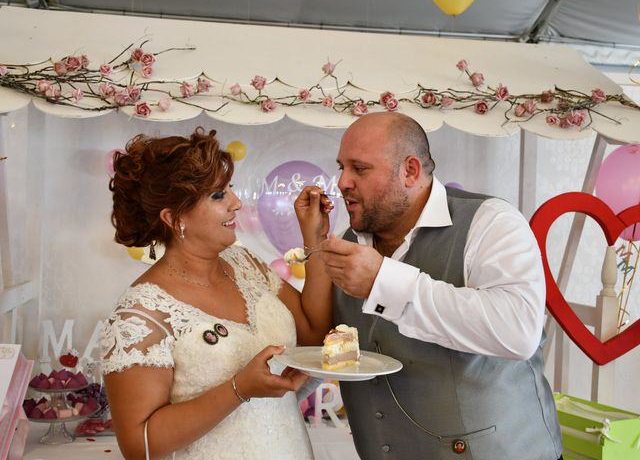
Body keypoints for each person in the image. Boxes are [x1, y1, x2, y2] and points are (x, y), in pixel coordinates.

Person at [319, 112, 563, 460]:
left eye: (360, 168)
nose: (343, 181)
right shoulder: (348, 242)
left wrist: (383, 282)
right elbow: (331, 342)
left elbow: (519, 330)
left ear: (410, 171)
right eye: (341, 167)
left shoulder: (490, 221)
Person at [100, 127, 332, 460]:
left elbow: (314, 333)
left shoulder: (245, 264)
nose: (236, 203)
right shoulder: (140, 314)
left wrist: (316, 238)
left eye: (230, 189)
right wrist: (239, 389)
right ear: (174, 217)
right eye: (219, 195)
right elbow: (139, 445)